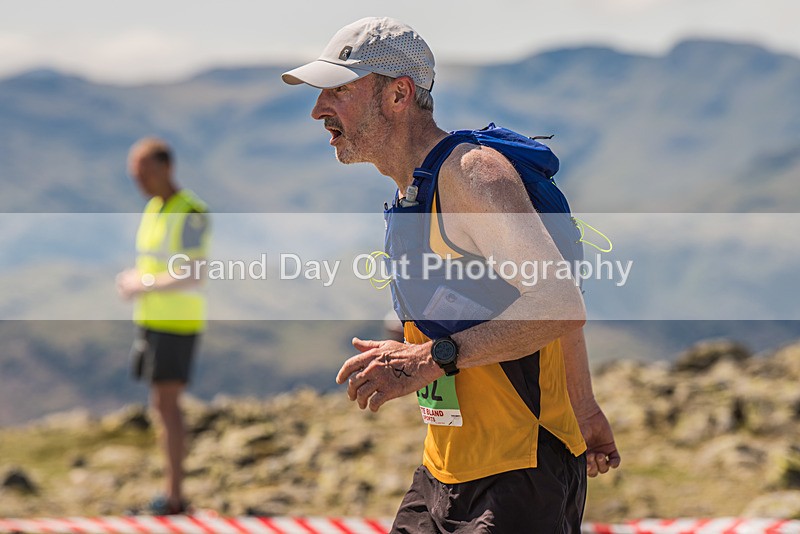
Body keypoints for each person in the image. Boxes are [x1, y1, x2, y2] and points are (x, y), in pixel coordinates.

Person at [282, 17, 620, 533]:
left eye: (339, 90)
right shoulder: (413, 190)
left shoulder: (471, 176)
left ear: (399, 94)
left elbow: (558, 302)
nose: (318, 109)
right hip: (445, 468)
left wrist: (428, 358)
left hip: (519, 470)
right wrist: (414, 347)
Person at [116, 137, 210, 515]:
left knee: (168, 407)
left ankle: (174, 497)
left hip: (177, 322)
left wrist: (142, 284)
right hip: (153, 320)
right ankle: (170, 493)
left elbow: (194, 272)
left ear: (166, 168)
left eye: (145, 173)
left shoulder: (191, 212)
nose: (139, 182)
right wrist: (135, 280)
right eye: (135, 175)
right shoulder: (154, 208)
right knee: (160, 405)